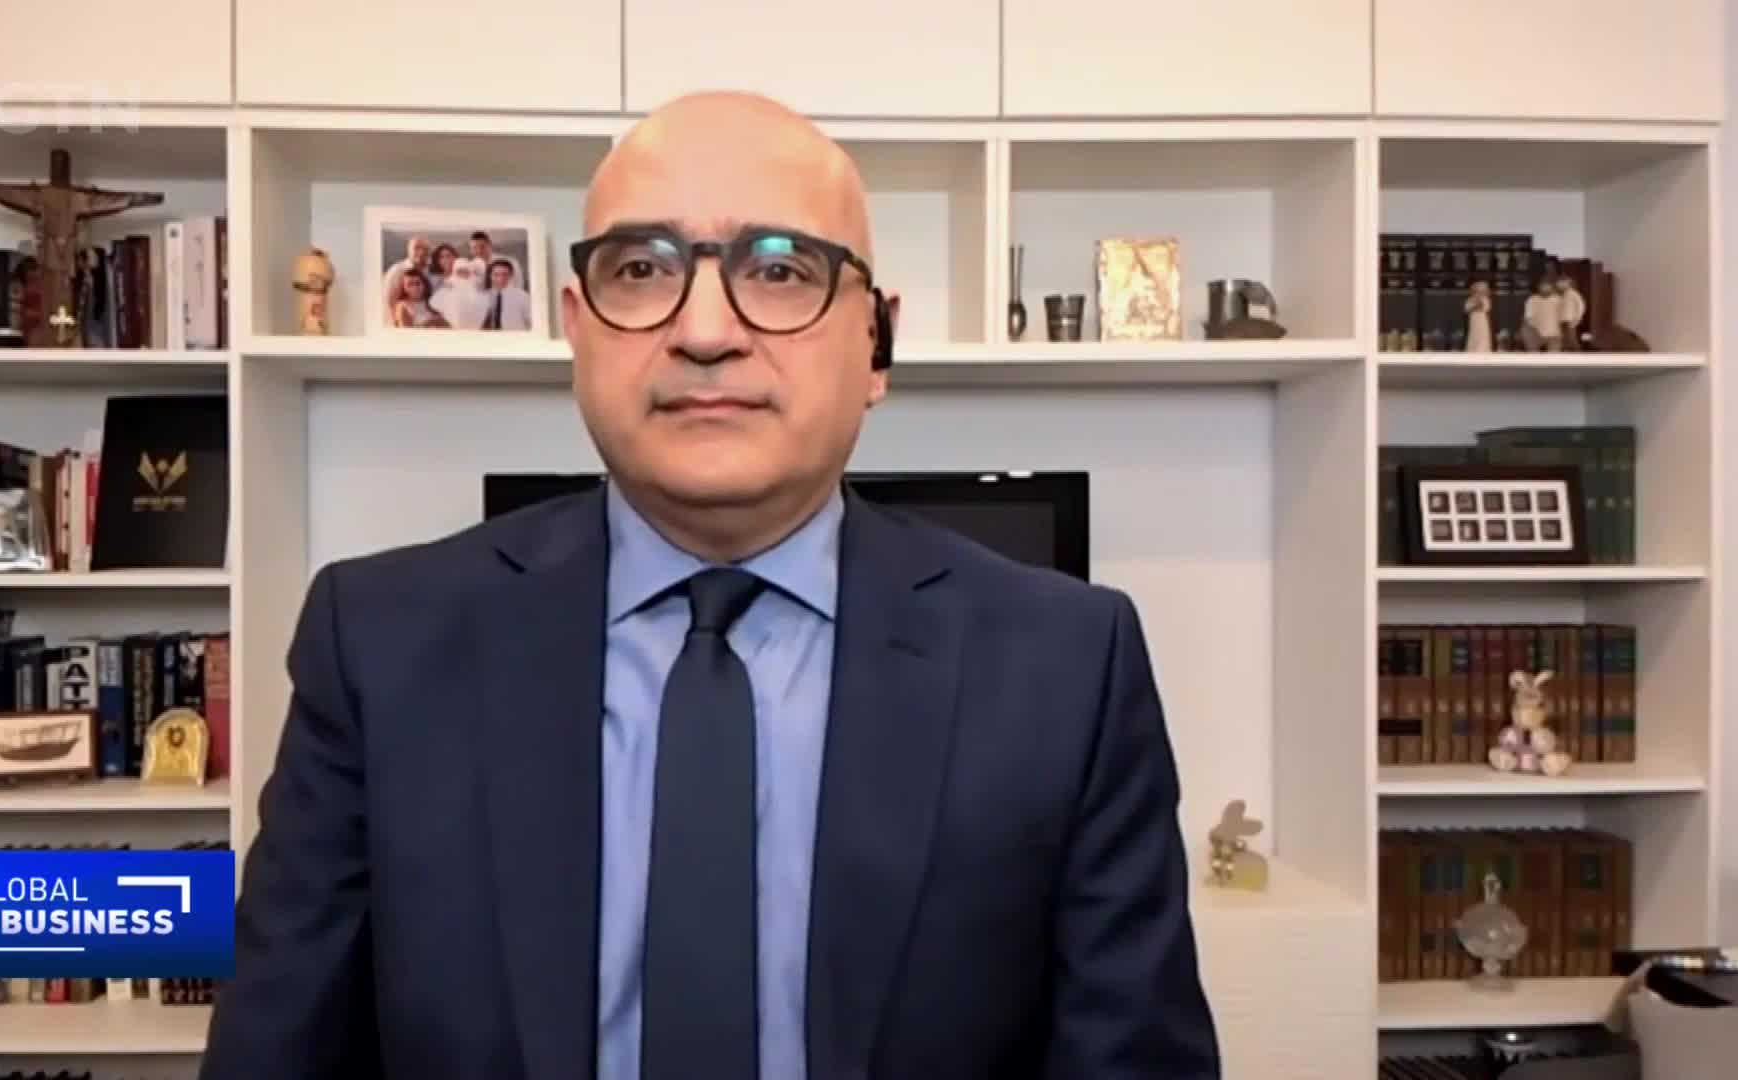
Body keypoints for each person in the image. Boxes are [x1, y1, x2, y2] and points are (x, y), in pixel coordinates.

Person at [200, 90, 1220, 1080]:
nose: (703, 330)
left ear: (876, 342)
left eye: (780, 272)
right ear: (577, 327)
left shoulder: (1067, 665)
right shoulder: (378, 645)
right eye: (641, 268)